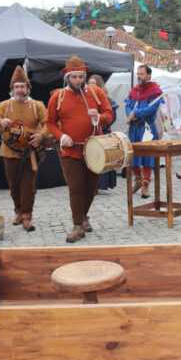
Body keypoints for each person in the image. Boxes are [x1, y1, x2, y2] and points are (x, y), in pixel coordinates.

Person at [46, 56, 113, 243]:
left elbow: (109, 114)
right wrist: (61, 136)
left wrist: (99, 117)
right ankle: (77, 225)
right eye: (74, 77)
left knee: (91, 188)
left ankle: (83, 216)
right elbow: (50, 122)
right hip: (70, 150)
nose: (78, 80)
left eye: (81, 77)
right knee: (76, 187)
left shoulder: (96, 92)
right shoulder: (58, 96)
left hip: (94, 149)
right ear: (67, 77)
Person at [0, 66, 47, 232]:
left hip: (30, 152)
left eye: (23, 86)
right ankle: (18, 211)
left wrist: (40, 135)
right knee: (13, 185)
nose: (20, 89)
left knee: (28, 186)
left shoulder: (37, 105)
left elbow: (48, 124)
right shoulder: (4, 105)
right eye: (17, 87)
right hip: (9, 151)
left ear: (28, 88)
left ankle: (27, 216)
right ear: (12, 89)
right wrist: (1, 123)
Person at [125, 64, 164, 198]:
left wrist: (135, 113)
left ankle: (145, 185)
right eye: (138, 74)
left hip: (147, 128)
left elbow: (151, 109)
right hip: (134, 128)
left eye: (141, 74)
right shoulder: (134, 90)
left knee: (148, 157)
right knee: (133, 155)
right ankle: (138, 180)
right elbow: (128, 104)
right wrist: (130, 114)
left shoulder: (155, 91)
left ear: (148, 75)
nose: (139, 76)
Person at [88, 74, 119, 193]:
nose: (91, 86)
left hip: (103, 134)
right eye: (89, 83)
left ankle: (101, 185)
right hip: (91, 134)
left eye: (94, 83)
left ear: (99, 85)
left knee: (102, 159)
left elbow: (111, 117)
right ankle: (92, 185)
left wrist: (101, 123)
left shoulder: (107, 99)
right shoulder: (86, 98)